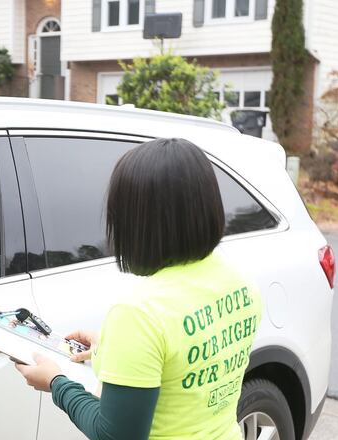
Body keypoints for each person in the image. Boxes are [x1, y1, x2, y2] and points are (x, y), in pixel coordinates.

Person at [15, 138, 263, 440]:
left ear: (138, 222)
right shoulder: (241, 284)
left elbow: (115, 435)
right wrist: (107, 349)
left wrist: (56, 382)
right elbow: (188, 364)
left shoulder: (138, 315)